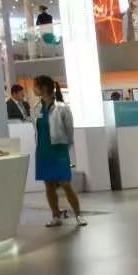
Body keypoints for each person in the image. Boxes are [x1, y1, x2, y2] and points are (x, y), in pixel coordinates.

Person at [31, 75, 86, 228]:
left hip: (59, 151)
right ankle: (55, 216)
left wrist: (65, 148)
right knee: (48, 186)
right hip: (43, 152)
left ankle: (78, 215)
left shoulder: (62, 108)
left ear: (44, 88)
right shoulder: (36, 108)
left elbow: (69, 131)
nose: (34, 89)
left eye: (35, 86)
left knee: (66, 184)